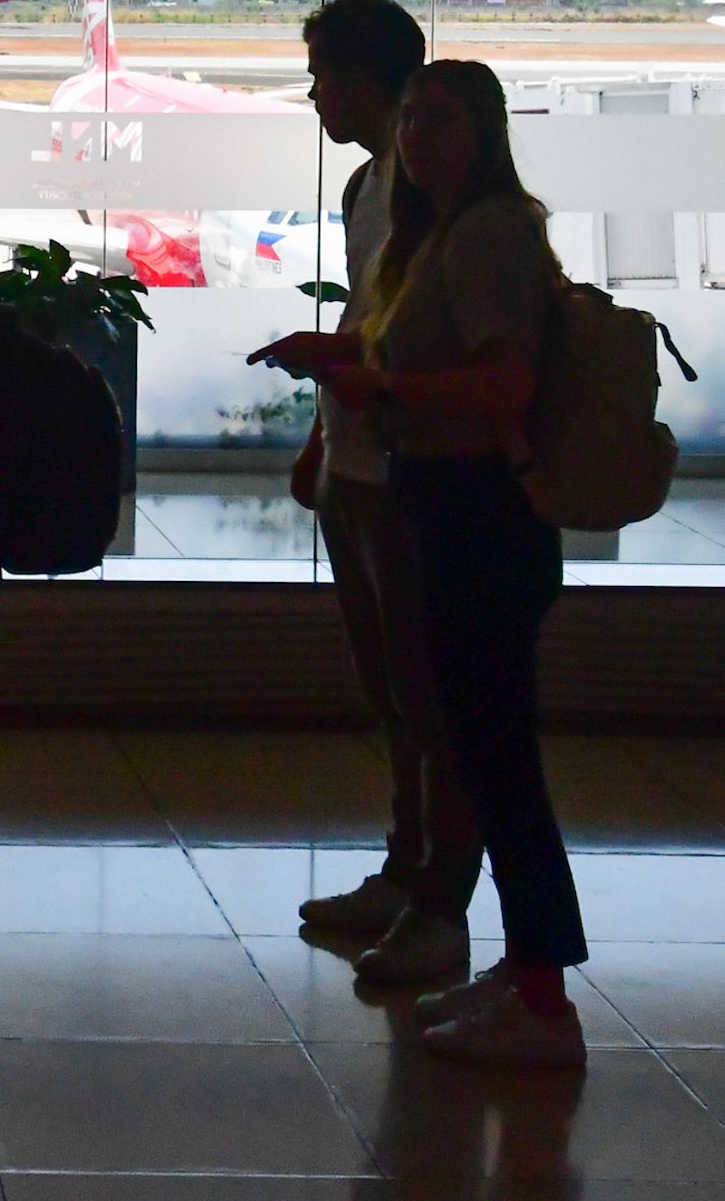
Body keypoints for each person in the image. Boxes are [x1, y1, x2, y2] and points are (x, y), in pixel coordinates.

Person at [292, 61, 588, 1070]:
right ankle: (527, 970)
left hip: (478, 515)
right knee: (482, 752)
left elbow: (504, 381)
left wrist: (380, 388)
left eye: (441, 119)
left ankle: (542, 995)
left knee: (494, 759)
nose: (418, 135)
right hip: (444, 503)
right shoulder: (440, 229)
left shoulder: (488, 233)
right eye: (412, 116)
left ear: (486, 130)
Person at [254, 0, 481, 986]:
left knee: (425, 688)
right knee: (389, 685)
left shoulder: (426, 196)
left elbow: (405, 336)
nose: (314, 98)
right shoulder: (367, 187)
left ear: (363, 80)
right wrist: (323, 436)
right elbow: (368, 313)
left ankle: (437, 894)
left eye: (322, 79)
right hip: (358, 458)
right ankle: (407, 865)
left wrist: (340, 374)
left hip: (403, 466)